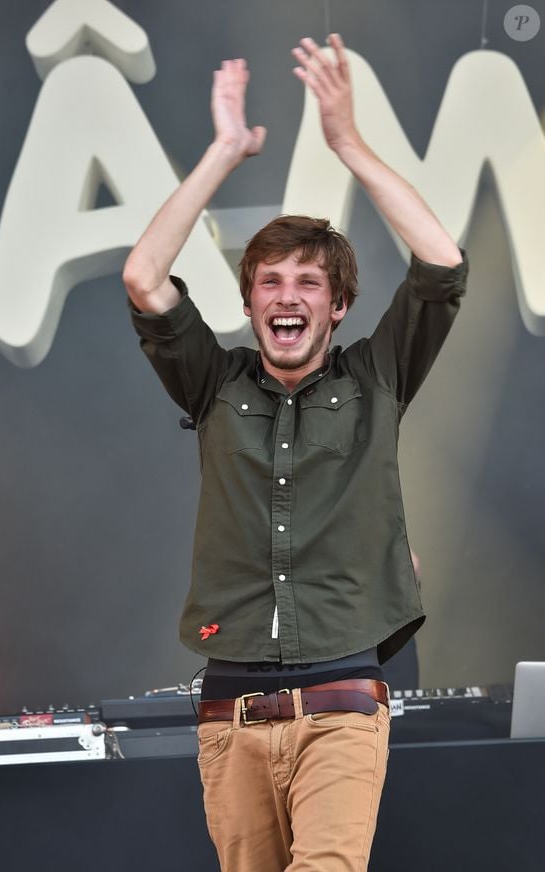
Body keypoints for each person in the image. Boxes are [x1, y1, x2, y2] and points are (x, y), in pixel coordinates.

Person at [123, 33, 467, 872]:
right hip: (230, 708)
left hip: (344, 700)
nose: (288, 296)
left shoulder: (376, 377)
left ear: (338, 306)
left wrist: (346, 142)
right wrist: (225, 151)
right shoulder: (215, 382)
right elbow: (143, 276)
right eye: (271, 282)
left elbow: (441, 262)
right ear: (250, 303)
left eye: (308, 283)